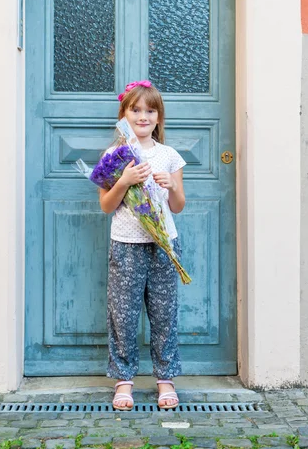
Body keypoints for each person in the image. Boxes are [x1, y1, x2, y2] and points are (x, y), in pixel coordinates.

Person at [99, 80, 186, 411]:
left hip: (164, 244)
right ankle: (124, 380)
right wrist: (124, 181)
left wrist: (171, 187)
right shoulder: (113, 156)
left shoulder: (169, 156)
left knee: (164, 313)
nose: (143, 116)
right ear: (124, 114)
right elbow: (107, 205)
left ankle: (165, 378)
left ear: (159, 117)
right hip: (125, 244)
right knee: (123, 314)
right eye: (136, 110)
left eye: (150, 110)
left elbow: (178, 205)